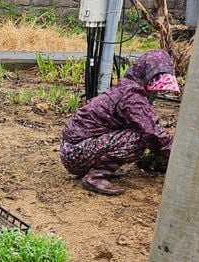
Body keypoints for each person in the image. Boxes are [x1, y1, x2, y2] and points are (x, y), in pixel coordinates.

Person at [59, 49, 180, 196]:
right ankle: (95, 176)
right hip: (76, 152)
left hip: (73, 149)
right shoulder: (132, 96)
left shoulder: (128, 88)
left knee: (140, 131)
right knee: (140, 138)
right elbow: (153, 133)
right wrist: (180, 155)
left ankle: (98, 168)